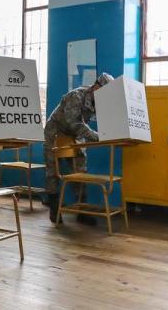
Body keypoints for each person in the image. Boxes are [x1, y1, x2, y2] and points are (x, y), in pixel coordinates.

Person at [43, 72, 115, 225]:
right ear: (96, 87)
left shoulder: (99, 100)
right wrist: (98, 136)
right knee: (52, 170)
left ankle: (81, 211)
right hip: (56, 131)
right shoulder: (76, 96)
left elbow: (106, 120)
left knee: (81, 170)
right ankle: (54, 208)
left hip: (75, 133)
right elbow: (74, 123)